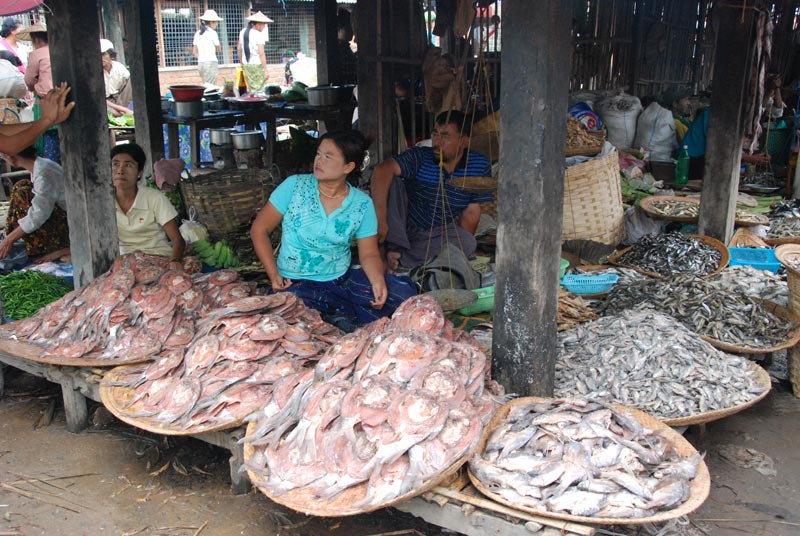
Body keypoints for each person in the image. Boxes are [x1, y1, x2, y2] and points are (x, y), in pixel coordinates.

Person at [250, 130, 417, 331]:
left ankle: (338, 316)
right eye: (319, 154)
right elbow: (259, 230)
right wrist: (273, 274)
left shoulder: (361, 204)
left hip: (340, 280)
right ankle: (338, 318)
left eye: (328, 157)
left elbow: (370, 253)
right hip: (294, 282)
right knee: (298, 317)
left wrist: (377, 280)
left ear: (348, 166)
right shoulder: (294, 187)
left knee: (402, 293)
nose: (319, 161)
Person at [370, 110, 492, 270]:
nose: (437, 142)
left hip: (434, 233)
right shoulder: (420, 156)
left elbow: (471, 212)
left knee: (467, 243)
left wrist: (458, 255)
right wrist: (381, 218)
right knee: (393, 182)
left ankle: (403, 257)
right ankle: (393, 247)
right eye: (435, 134)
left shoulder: (479, 164)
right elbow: (382, 170)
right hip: (403, 226)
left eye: (445, 136)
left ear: (464, 141)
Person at [111, 143, 185, 269]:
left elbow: (178, 240)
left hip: (158, 259)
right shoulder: (103, 203)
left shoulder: (154, 198)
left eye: (128, 165)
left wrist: (175, 260)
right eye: (115, 164)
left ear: (139, 172)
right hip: (124, 263)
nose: (120, 171)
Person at [0, 146, 69, 262]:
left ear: (9, 155)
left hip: (69, 220)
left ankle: (48, 249)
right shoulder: (42, 165)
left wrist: (9, 240)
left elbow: (39, 214)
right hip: (62, 215)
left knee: (21, 190)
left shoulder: (44, 172)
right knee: (22, 186)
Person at [237, 11, 271, 94]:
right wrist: (266, 70)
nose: (264, 27)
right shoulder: (258, 35)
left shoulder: (243, 32)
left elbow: (239, 48)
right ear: (258, 24)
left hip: (247, 64)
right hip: (257, 65)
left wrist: (241, 63)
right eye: (264, 25)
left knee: (252, 88)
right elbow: (261, 53)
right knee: (260, 90)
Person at [100, 39, 132, 115]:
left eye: (103, 54)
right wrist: (123, 110)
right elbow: (100, 100)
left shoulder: (119, 68)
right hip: (105, 104)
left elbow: (127, 90)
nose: (101, 58)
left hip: (119, 100)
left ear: (111, 55)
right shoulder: (95, 73)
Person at [19, 21, 50, 97]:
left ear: (36, 40)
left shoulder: (35, 54)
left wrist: (32, 88)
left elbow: (29, 80)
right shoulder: (56, 50)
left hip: (45, 94)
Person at [193, 9, 223, 87]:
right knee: (211, 87)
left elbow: (194, 51)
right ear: (211, 22)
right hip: (211, 62)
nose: (217, 24)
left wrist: (201, 58)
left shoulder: (197, 33)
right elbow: (219, 49)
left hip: (201, 63)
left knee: (205, 85)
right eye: (216, 22)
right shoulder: (212, 33)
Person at [336, 8, 357, 85]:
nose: (351, 31)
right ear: (338, 29)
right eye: (347, 28)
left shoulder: (345, 47)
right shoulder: (340, 48)